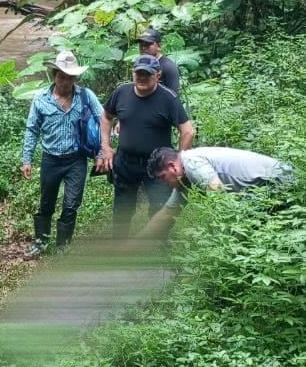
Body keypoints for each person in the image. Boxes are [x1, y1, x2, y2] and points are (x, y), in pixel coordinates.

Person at [97, 55, 195, 238]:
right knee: (122, 208)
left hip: (157, 166)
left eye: (147, 74)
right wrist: (106, 147)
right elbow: (105, 117)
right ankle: (119, 247)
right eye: (138, 73)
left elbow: (188, 131)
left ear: (158, 75)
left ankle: (157, 247)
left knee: (159, 206)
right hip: (125, 162)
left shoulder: (168, 98)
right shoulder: (121, 92)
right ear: (132, 73)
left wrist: (180, 160)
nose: (141, 78)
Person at [20, 51, 104, 255]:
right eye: (61, 76)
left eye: (69, 77)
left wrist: (102, 152)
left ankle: (62, 246)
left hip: (77, 159)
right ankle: (41, 242)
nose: (65, 82)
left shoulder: (86, 96)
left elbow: (104, 121)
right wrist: (27, 159)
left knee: (71, 203)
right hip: (51, 159)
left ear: (75, 78)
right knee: (46, 202)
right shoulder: (41, 99)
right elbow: (32, 129)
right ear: (54, 74)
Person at [139, 147, 295, 238]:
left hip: (279, 182)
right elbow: (167, 214)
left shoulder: (191, 163)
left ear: (173, 167)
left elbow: (219, 195)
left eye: (163, 177)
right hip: (268, 186)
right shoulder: (185, 174)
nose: (163, 183)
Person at [137, 28, 180, 94]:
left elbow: (173, 95)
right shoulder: (138, 64)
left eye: (147, 44)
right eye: (141, 44)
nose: (143, 48)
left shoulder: (168, 67)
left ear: (159, 46)